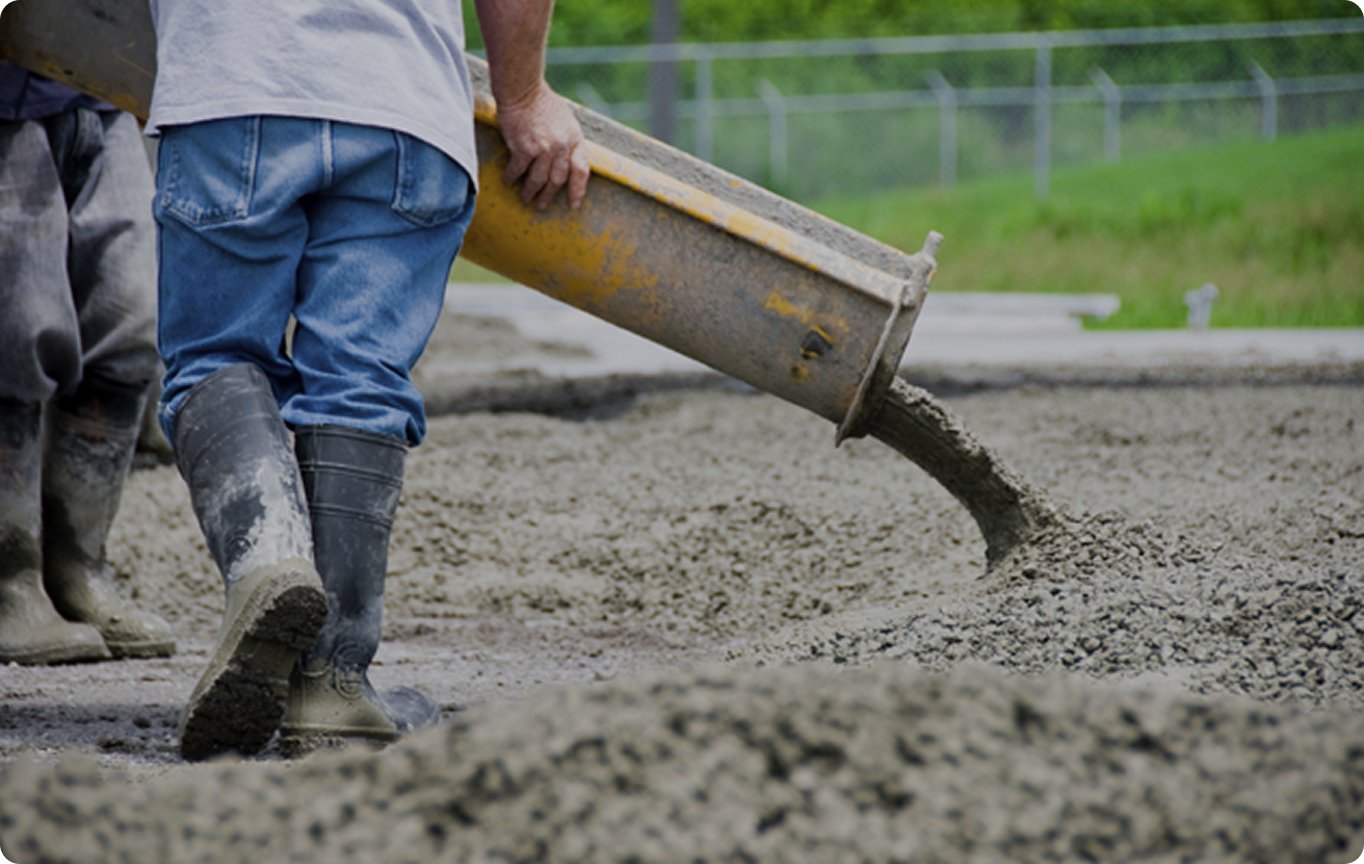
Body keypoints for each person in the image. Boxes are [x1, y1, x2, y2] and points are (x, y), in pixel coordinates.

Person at [145, 0, 589, 759]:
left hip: (232, 84)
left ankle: (268, 562)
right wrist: (524, 99)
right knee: (358, 383)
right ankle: (333, 684)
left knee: (218, 358)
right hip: (401, 102)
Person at [0, 63, 177, 666]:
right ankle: (10, 579)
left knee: (132, 320)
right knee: (18, 325)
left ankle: (78, 569)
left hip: (99, 84)